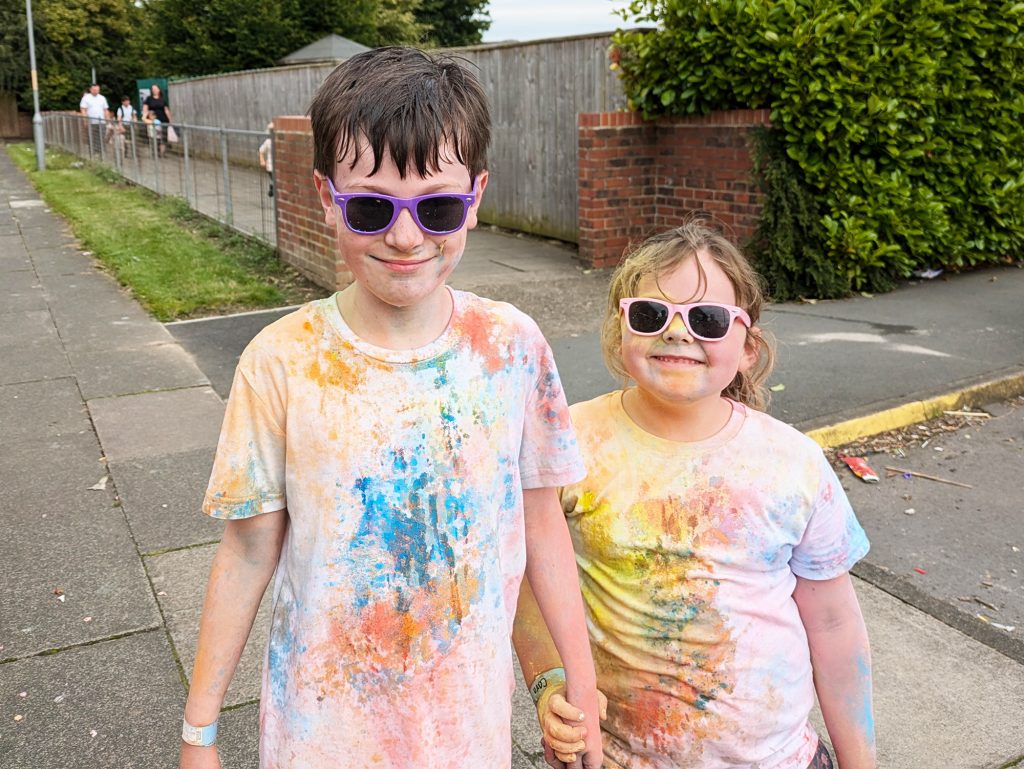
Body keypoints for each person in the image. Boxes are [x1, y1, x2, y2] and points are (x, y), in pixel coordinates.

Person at [180, 47, 603, 769]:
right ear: (325, 195)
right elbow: (249, 549)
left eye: (437, 205)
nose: (406, 237)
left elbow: (543, 531)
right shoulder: (281, 362)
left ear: (476, 194)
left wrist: (583, 689)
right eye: (372, 206)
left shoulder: (512, 348)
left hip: (465, 735)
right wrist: (200, 732)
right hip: (321, 736)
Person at [513, 222, 876, 769]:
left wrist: (860, 761)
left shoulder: (794, 462)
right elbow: (526, 580)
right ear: (621, 331)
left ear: (748, 346)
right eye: (651, 315)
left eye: (707, 320)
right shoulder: (568, 444)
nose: (678, 333)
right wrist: (550, 683)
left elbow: (833, 624)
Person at [79, 83, 110, 156]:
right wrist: (85, 120)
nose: (96, 91)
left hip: (102, 122)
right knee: (92, 138)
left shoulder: (102, 98)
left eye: (97, 90)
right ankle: (93, 154)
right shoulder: (86, 98)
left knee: (101, 138)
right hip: (91, 122)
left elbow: (105, 110)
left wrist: (107, 120)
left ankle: (101, 154)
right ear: (90, 90)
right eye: (94, 90)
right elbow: (83, 109)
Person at [142, 84, 172, 157]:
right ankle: (155, 152)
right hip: (153, 121)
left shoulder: (162, 99)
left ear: (159, 90)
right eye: (153, 89)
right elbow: (145, 109)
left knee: (163, 137)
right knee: (154, 137)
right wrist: (145, 118)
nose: (154, 90)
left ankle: (162, 153)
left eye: (155, 89)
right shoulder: (149, 99)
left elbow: (166, 110)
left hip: (163, 120)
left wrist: (170, 120)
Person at [258, 122, 274, 197]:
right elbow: (261, 150)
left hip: (278, 167)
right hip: (271, 166)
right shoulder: (268, 142)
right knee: (274, 178)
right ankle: (272, 187)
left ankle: (272, 186)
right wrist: (262, 160)